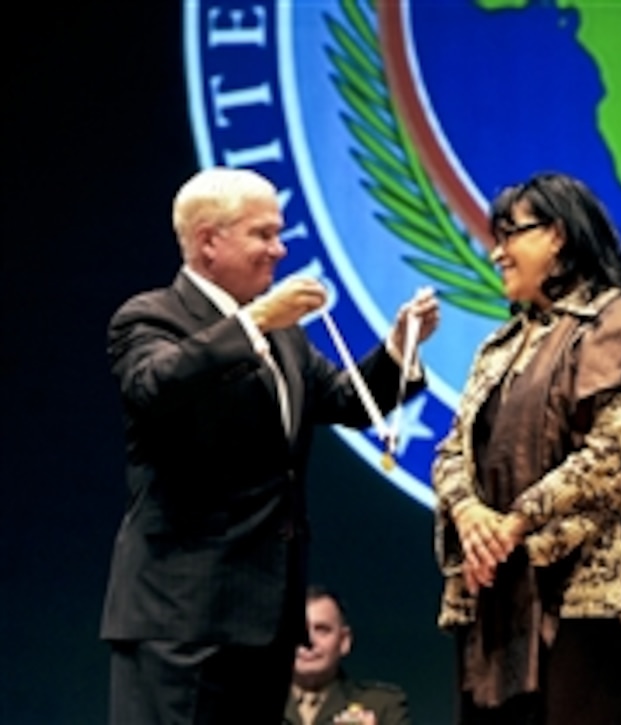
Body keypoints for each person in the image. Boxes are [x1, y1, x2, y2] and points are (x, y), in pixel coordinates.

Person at [100, 166, 439, 724]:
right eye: (263, 234)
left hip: (265, 623)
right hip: (181, 621)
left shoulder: (284, 334)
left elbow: (345, 400)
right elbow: (156, 387)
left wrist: (399, 350)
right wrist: (255, 319)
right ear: (210, 240)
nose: (280, 250)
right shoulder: (150, 318)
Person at [432, 172, 621, 725]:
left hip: (586, 599)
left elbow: (612, 457)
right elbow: (452, 449)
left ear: (557, 236)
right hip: (498, 597)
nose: (497, 252)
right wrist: (470, 513)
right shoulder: (498, 346)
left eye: (511, 234)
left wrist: (516, 524)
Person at [284, 586, 411, 725]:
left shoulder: (382, 706)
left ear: (344, 641)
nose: (308, 641)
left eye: (322, 630)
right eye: (297, 629)